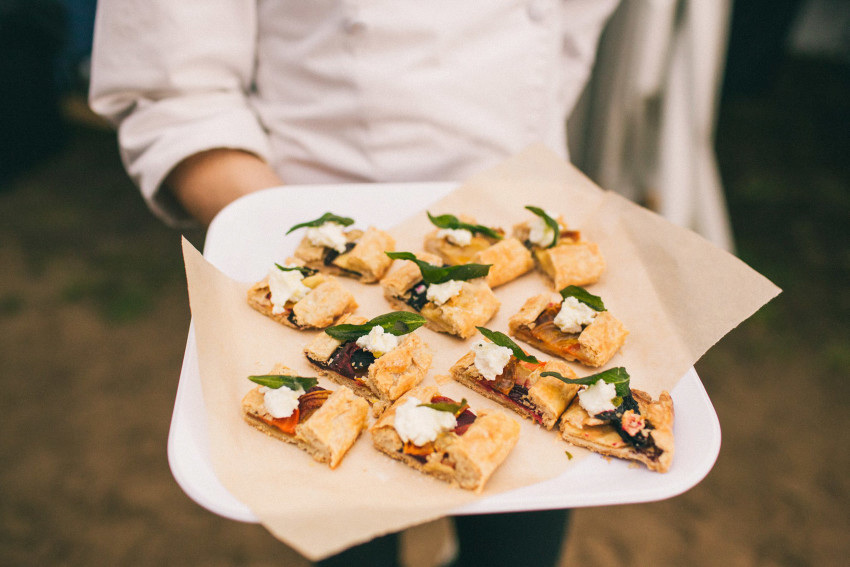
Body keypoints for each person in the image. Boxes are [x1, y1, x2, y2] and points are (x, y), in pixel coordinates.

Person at [89, 2, 620, 565]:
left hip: (529, 188)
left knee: (520, 552)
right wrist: (287, 237)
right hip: (313, 190)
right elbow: (176, 95)